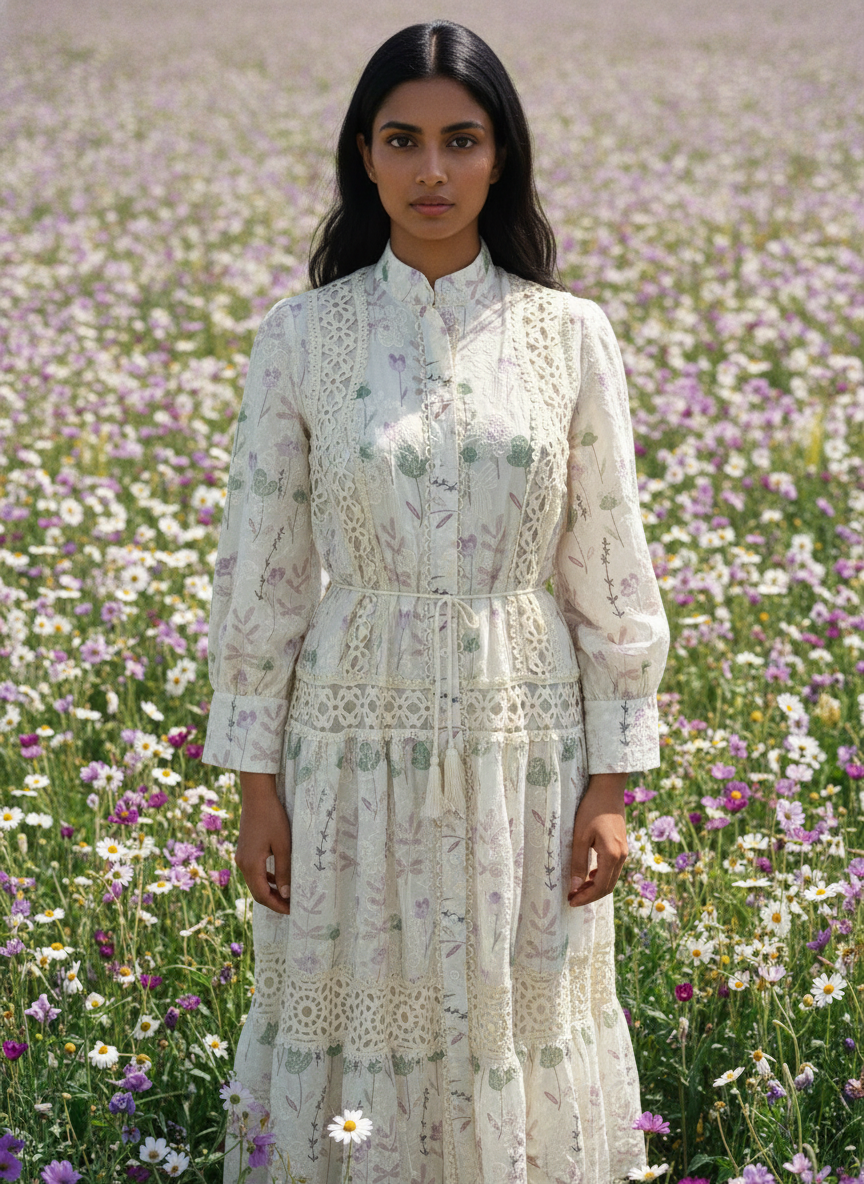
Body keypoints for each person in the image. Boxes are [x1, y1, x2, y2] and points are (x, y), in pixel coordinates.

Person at [202, 18, 670, 1184]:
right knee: (361, 1010)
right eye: (402, 141)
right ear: (363, 153)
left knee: (517, 1016)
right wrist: (256, 785)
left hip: (528, 739)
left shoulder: (570, 335)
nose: (431, 172)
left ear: (501, 155)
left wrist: (612, 783)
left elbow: (610, 562)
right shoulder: (300, 338)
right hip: (349, 743)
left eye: (461, 141)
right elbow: (258, 569)